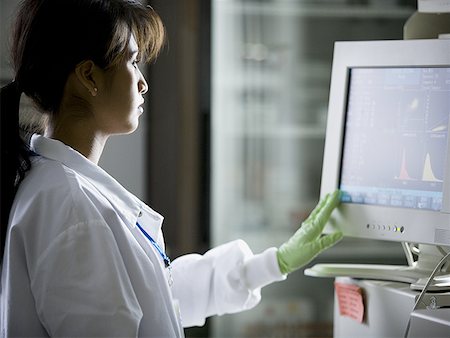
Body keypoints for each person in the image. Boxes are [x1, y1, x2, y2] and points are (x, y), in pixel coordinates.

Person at [0, 0, 343, 336]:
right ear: (89, 76)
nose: (143, 82)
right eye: (132, 62)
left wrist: (271, 264)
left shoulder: (61, 189)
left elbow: (154, 298)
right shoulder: (70, 207)